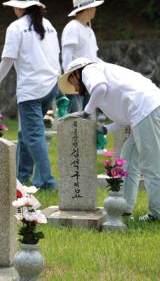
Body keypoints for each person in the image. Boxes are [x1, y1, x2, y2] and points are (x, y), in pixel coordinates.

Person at [58, 57, 160, 222]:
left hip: (147, 110)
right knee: (127, 160)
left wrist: (86, 112)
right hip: (143, 112)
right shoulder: (104, 72)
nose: (75, 88)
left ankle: (157, 213)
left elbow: (100, 88)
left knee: (151, 164)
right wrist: (105, 129)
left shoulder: (89, 71)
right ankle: (124, 207)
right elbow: (124, 117)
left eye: (72, 82)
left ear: (77, 73)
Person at [0, 0, 60, 190]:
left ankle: (47, 181)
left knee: (33, 135)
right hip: (51, 86)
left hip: (31, 90)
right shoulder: (49, 25)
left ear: (19, 7)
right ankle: (22, 174)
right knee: (26, 133)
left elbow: (8, 59)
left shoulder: (16, 27)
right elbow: (57, 56)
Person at [61, 0, 104, 113]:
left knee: (88, 119)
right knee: (76, 119)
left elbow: (93, 56)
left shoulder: (89, 29)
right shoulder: (72, 28)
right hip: (76, 81)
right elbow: (66, 56)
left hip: (89, 80)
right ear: (88, 9)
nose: (95, 9)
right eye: (93, 7)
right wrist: (69, 80)